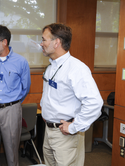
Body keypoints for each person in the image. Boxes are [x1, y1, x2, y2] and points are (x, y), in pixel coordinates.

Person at [40, 23, 103, 166]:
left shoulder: (76, 68)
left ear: (57, 42)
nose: (41, 43)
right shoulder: (51, 67)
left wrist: (74, 127)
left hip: (65, 134)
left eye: (44, 39)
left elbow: (95, 103)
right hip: (49, 131)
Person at [0, 25, 31, 166]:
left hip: (12, 110)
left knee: (12, 151)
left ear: (4, 42)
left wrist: (12, 102)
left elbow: (25, 88)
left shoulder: (21, 62)